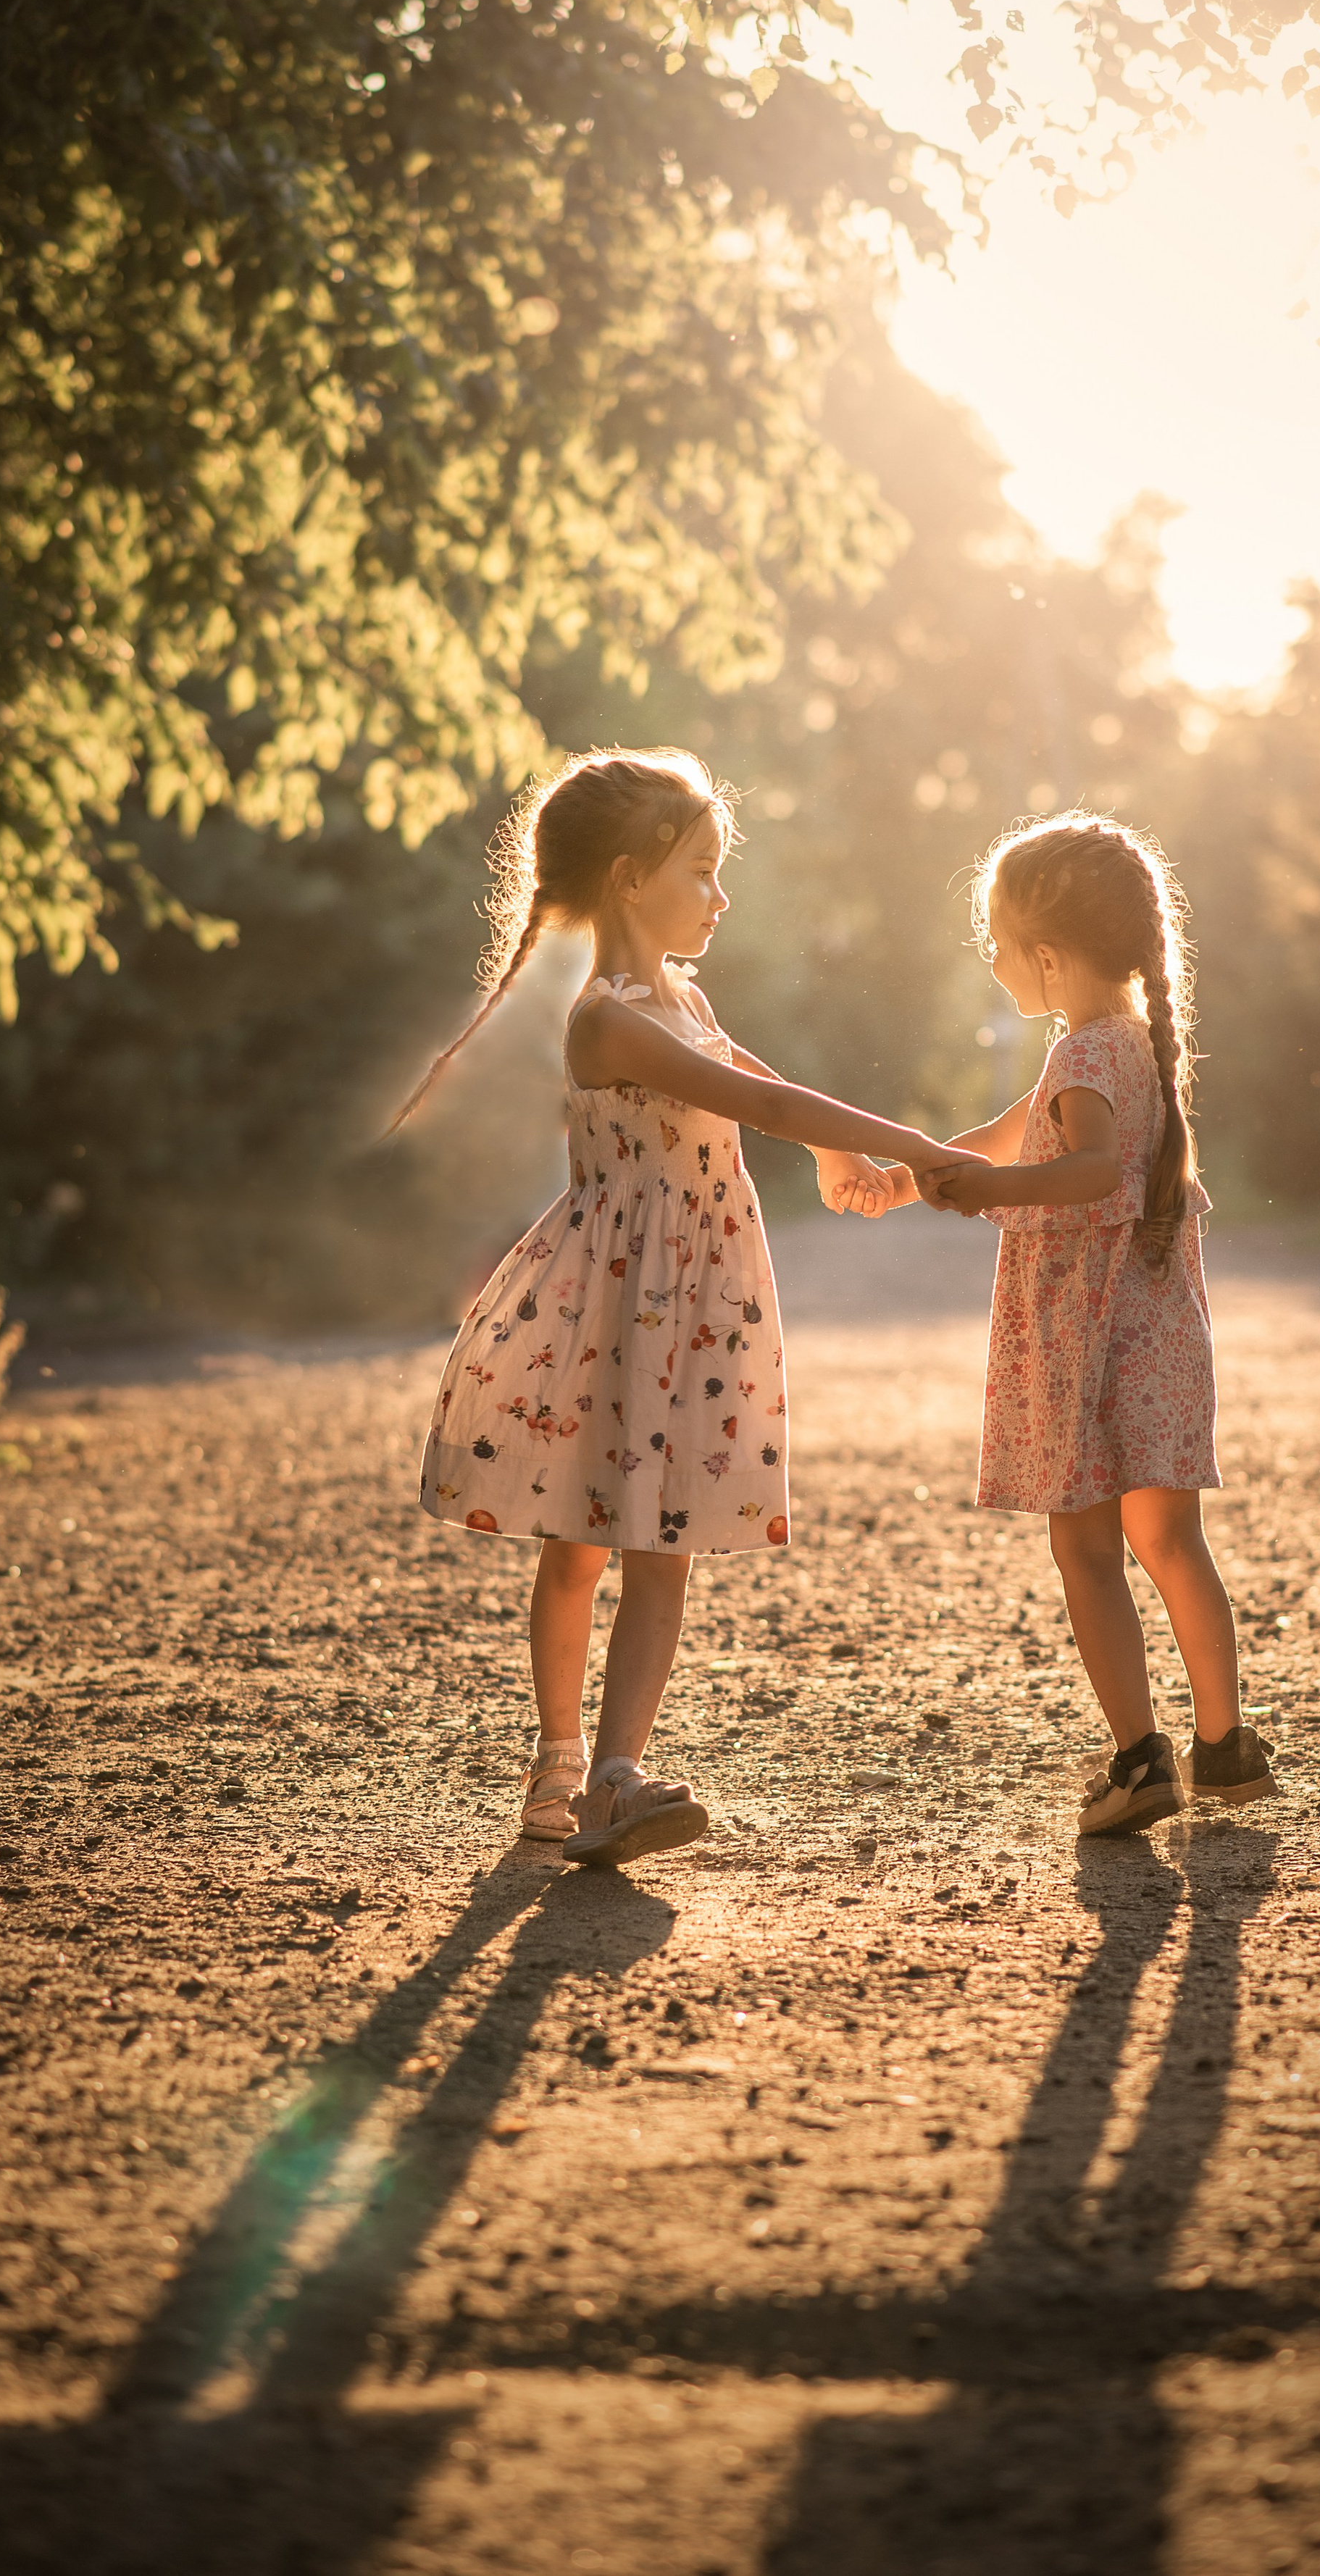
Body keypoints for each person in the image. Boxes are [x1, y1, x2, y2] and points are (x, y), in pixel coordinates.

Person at [389, 747, 975, 1870]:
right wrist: (920, 1148)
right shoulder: (606, 1019)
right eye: (701, 870)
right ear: (627, 879)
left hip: (697, 1308)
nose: (721, 894)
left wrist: (843, 1158)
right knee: (578, 1547)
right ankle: (560, 1763)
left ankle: (616, 1779)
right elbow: (764, 1097)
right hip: (615, 1307)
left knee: (667, 1545)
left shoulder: (685, 1000)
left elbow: (767, 1097)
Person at [882, 811, 1277, 1839]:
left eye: (1000, 948)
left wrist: (986, 1191)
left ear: (1047, 957)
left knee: (1087, 1551)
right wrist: (912, 1171)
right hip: (1154, 1337)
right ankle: (1225, 1745)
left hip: (1084, 1345)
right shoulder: (1121, 1043)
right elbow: (1009, 1132)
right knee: (1173, 1542)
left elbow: (1086, 1166)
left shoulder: (1088, 1055)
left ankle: (1141, 1759)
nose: (995, 965)